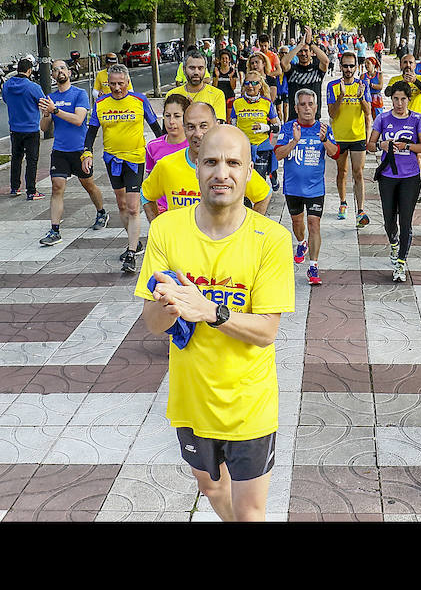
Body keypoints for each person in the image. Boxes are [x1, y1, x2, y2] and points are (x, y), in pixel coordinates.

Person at [135, 124, 295, 522]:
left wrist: (210, 311)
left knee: (251, 511)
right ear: (197, 168)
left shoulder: (270, 239)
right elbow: (152, 324)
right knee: (210, 487)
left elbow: (267, 332)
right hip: (191, 400)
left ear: (247, 173)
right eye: (211, 161)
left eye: (232, 162)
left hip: (249, 404)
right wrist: (168, 305)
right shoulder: (166, 230)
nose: (221, 172)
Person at [82, 63, 164, 273]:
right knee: (121, 205)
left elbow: (156, 128)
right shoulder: (101, 104)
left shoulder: (139, 100)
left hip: (135, 159)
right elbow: (91, 132)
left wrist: (166, 150)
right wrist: (87, 153)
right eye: (113, 84)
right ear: (107, 84)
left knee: (134, 206)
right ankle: (134, 242)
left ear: (128, 82)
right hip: (112, 160)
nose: (117, 88)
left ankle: (130, 252)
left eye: (121, 83)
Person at [141, 101, 272, 222]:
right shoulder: (167, 165)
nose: (198, 133)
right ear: (184, 128)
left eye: (203, 126)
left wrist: (248, 231)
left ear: (216, 125)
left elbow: (263, 195)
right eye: (191, 127)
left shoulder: (233, 165)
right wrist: (157, 229)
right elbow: (146, 195)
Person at [37, 60, 108, 245]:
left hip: (79, 149)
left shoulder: (79, 94)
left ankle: (101, 212)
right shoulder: (50, 97)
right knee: (57, 187)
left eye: (62, 68)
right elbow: (44, 128)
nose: (59, 71)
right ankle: (55, 230)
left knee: (89, 185)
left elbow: (78, 119)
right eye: (55, 70)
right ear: (52, 76)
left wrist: (55, 110)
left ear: (69, 72)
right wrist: (46, 113)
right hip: (59, 150)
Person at [274, 89, 340, 285]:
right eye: (302, 104)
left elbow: (336, 154)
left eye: (310, 104)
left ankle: (313, 266)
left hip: (315, 188)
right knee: (297, 224)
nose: (307, 108)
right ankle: (302, 243)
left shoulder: (323, 128)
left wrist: (324, 140)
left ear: (316, 106)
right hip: (293, 188)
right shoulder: (288, 128)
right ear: (296, 108)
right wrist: (294, 140)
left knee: (314, 224)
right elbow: (277, 155)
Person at [367, 81, 421, 282]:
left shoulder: (417, 119)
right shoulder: (383, 118)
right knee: (388, 219)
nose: (399, 103)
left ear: (409, 99)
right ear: (391, 99)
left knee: (406, 221)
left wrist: (408, 146)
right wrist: (381, 145)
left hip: (410, 177)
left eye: (403, 99)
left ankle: (401, 262)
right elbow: (369, 145)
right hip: (388, 177)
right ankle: (394, 243)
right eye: (396, 98)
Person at [327, 50, 373, 227]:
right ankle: (343, 202)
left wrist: (361, 97)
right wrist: (341, 97)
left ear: (356, 67)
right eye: (345, 65)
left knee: (358, 172)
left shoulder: (363, 85)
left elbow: (368, 112)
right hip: (339, 136)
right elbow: (332, 113)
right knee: (342, 172)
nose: (348, 69)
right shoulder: (333, 86)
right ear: (340, 66)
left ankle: (361, 210)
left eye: (351, 66)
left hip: (358, 135)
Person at [3, 57, 46, 200]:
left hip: (15, 128)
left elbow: (5, 99)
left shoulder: (8, 85)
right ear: (29, 70)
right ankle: (31, 191)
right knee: (32, 160)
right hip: (31, 129)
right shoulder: (33, 87)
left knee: (16, 158)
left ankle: (14, 188)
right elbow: (43, 102)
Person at [143, 93, 190, 220]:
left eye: (177, 116)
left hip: (190, 208)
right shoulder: (153, 146)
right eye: (167, 116)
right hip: (163, 210)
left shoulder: (196, 146)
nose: (171, 121)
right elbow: (151, 182)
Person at [230, 71, 281, 189]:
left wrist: (264, 128)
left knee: (258, 179)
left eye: (254, 83)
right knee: (243, 179)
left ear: (260, 85)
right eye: (247, 83)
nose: (250, 86)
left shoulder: (266, 103)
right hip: (243, 147)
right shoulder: (237, 103)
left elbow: (277, 127)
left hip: (261, 147)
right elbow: (232, 126)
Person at [281, 26, 330, 121]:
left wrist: (310, 43)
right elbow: (283, 62)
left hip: (314, 119)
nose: (303, 54)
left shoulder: (317, 70)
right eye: (300, 52)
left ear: (311, 53)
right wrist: (300, 45)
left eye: (306, 51)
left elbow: (326, 61)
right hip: (295, 118)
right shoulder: (292, 70)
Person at [167, 51, 227, 122]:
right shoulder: (172, 95)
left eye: (200, 68)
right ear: (184, 69)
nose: (196, 72)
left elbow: (217, 128)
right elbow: (167, 128)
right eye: (192, 68)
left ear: (205, 69)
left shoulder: (217, 95)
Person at [212, 50, 239, 120]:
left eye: (226, 58)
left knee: (229, 119)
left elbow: (233, 87)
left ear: (229, 60)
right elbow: (214, 86)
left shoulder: (232, 71)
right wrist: (217, 76)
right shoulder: (216, 70)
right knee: (220, 118)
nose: (224, 60)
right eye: (223, 58)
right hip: (219, 98)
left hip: (229, 97)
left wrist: (230, 77)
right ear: (220, 60)